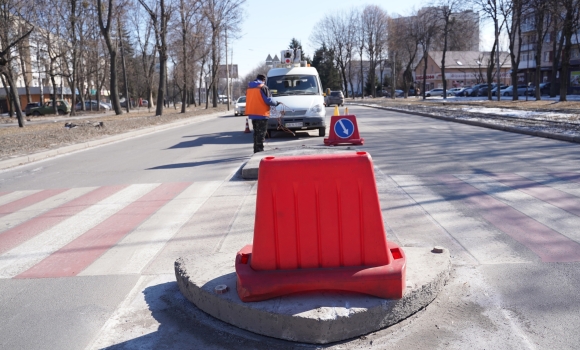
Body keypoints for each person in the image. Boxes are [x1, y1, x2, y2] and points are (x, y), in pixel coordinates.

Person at [246, 73, 281, 153]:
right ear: (264, 80)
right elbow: (268, 100)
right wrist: (276, 103)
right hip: (261, 115)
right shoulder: (263, 87)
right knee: (261, 135)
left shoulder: (249, 88)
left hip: (253, 114)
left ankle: (256, 150)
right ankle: (259, 152)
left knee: (256, 133)